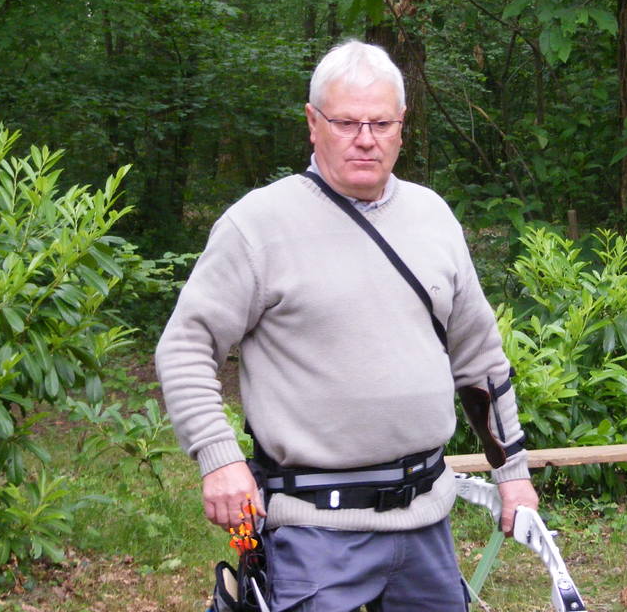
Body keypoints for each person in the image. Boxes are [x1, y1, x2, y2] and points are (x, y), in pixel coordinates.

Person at [155, 40, 538, 612]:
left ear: (401, 126)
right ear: (313, 123)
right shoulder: (257, 225)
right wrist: (220, 458)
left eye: (381, 123)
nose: (366, 138)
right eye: (346, 122)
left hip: (426, 522)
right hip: (313, 531)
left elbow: (479, 358)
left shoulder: (433, 217)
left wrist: (513, 473)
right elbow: (186, 347)